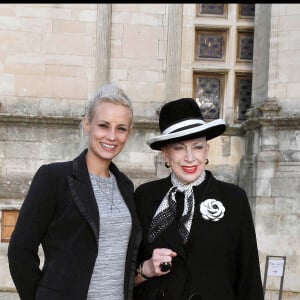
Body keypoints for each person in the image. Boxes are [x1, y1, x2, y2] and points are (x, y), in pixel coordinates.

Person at [7, 83, 142, 300]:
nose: (111, 136)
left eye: (121, 128)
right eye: (103, 125)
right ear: (87, 125)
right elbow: (20, 251)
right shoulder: (54, 178)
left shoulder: (125, 186)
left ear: (129, 133)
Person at [133, 98, 264, 300]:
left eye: (197, 147)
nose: (190, 158)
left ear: (206, 151)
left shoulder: (234, 199)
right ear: (165, 155)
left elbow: (249, 279)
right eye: (178, 148)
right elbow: (123, 273)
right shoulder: (144, 197)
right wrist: (145, 269)